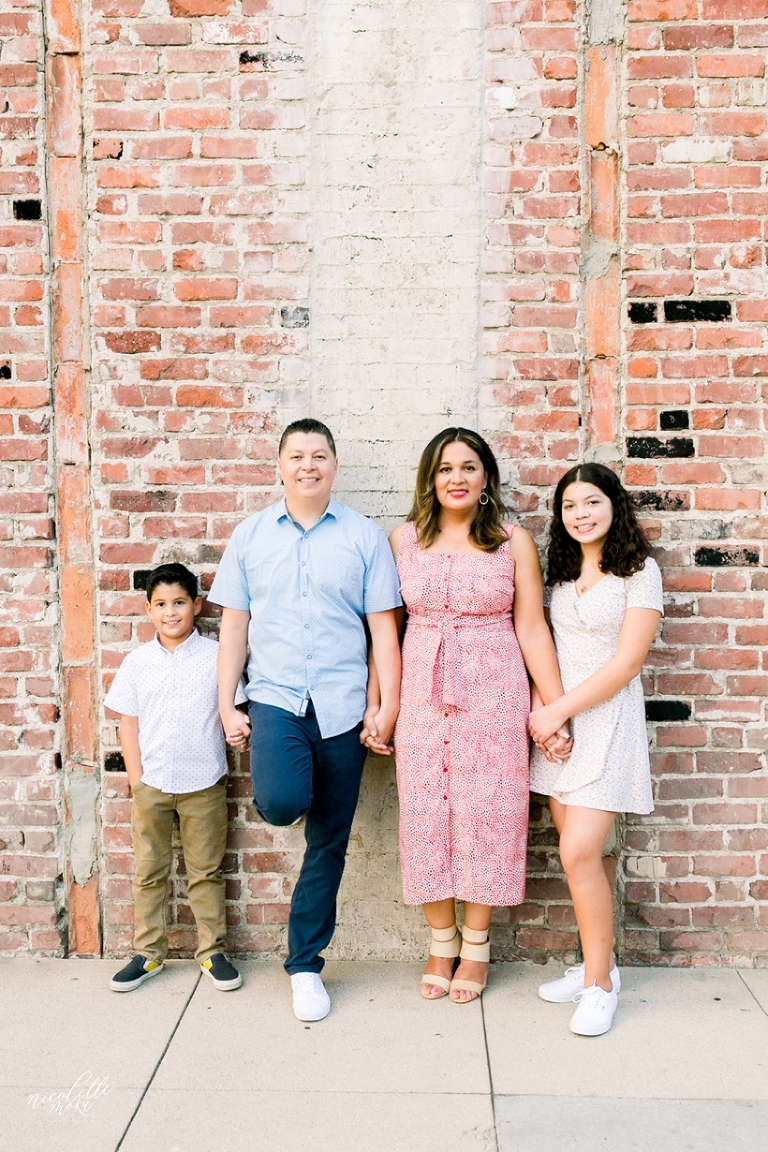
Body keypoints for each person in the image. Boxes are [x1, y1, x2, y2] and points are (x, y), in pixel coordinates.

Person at [366, 427, 571, 1003]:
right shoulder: (403, 539)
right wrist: (378, 703)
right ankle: (441, 941)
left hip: (495, 693)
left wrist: (555, 708)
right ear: (430, 478)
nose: (456, 478)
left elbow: (532, 627)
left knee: (490, 814)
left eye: (468, 467)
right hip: (422, 695)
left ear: (486, 478)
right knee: (426, 814)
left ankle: (476, 946)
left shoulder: (512, 541)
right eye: (445, 468)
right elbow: (385, 632)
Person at [209, 418, 402, 1022]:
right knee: (282, 802)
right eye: (297, 456)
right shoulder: (250, 536)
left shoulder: (364, 537)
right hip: (275, 698)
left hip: (344, 706)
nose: (308, 465)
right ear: (280, 466)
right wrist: (226, 702)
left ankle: (304, 966)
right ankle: (295, 784)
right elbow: (234, 627)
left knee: (329, 841)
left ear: (335, 465)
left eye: (319, 455)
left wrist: (386, 706)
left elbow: (384, 631)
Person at [528, 463, 663, 1037]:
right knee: (582, 856)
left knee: (579, 852)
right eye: (569, 506)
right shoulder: (560, 571)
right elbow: (542, 646)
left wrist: (557, 710)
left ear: (614, 505)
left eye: (591, 502)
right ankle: (595, 965)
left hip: (608, 723)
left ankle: (600, 987)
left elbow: (628, 663)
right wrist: (548, 714)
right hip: (561, 729)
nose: (580, 514)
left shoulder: (640, 571)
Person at [106, 563, 245, 993]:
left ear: (196, 605)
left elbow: (233, 710)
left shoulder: (217, 657)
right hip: (153, 785)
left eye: (180, 602)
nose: (171, 613)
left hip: (204, 783)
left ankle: (212, 952)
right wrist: (138, 780)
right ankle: (148, 953)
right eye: (162, 604)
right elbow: (128, 725)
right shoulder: (137, 663)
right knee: (149, 872)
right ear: (148, 609)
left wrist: (239, 730)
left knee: (206, 872)